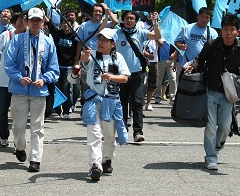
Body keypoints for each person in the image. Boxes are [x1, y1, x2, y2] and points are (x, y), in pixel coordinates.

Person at [184, 12, 240, 171]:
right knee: (210, 126)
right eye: (225, 29)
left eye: (232, 29)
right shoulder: (212, 44)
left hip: (229, 94)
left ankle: (216, 148)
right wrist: (192, 66)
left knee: (225, 127)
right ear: (221, 30)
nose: (228, 33)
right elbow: (200, 58)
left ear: (237, 32)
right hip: (211, 90)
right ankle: (211, 157)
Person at [5, 7, 59, 173]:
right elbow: (9, 63)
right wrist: (19, 77)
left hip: (39, 91)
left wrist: (45, 79)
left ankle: (35, 159)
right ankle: (20, 146)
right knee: (18, 125)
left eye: (38, 20)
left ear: (43, 23)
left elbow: (54, 68)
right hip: (19, 89)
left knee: (37, 127)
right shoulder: (17, 39)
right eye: (32, 20)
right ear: (26, 22)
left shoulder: (48, 42)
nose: (35, 23)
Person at [79, 27, 130, 181]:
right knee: (94, 133)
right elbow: (84, 61)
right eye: (99, 39)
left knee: (109, 134)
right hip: (93, 100)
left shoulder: (118, 57)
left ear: (112, 44)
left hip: (111, 101)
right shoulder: (92, 54)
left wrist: (112, 77)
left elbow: (125, 78)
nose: (100, 42)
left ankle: (107, 158)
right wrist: (85, 55)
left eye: (104, 40)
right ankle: (95, 165)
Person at [115, 10, 161, 142]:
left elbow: (157, 36)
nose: (129, 21)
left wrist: (155, 22)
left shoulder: (141, 33)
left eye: (132, 19)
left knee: (137, 102)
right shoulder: (117, 33)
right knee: (122, 103)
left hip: (137, 74)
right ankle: (123, 129)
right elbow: (103, 35)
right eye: (127, 18)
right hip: (121, 74)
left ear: (136, 21)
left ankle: (138, 132)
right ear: (123, 20)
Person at [0, 11, 27, 147]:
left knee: (18, 114)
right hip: (3, 81)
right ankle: (4, 134)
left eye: (22, 20)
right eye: (17, 21)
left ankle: (18, 140)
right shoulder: (7, 35)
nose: (19, 23)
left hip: (21, 82)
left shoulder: (30, 38)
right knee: (1, 112)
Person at [46, 15, 78, 118]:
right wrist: (47, 19)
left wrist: (76, 62)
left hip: (69, 67)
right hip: (57, 66)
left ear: (72, 25)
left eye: (68, 23)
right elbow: (51, 27)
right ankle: (56, 108)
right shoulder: (58, 34)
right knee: (57, 89)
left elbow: (77, 51)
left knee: (66, 89)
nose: (66, 25)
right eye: (64, 23)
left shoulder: (75, 36)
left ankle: (66, 111)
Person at [154, 39, 177, 103]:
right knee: (159, 80)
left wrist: (174, 54)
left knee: (173, 79)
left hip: (171, 61)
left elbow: (177, 49)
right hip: (161, 61)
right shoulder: (159, 38)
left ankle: (173, 98)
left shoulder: (172, 38)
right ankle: (158, 96)